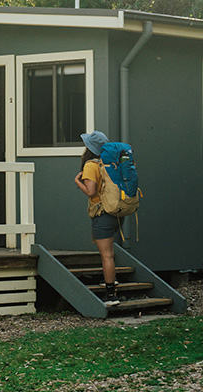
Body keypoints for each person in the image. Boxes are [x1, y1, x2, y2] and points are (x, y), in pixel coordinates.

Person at [74, 130, 120, 306]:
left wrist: (77, 181)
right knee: (110, 253)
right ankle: (111, 280)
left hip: (102, 214)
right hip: (116, 213)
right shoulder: (110, 162)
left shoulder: (91, 165)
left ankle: (111, 295)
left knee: (106, 256)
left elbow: (91, 192)